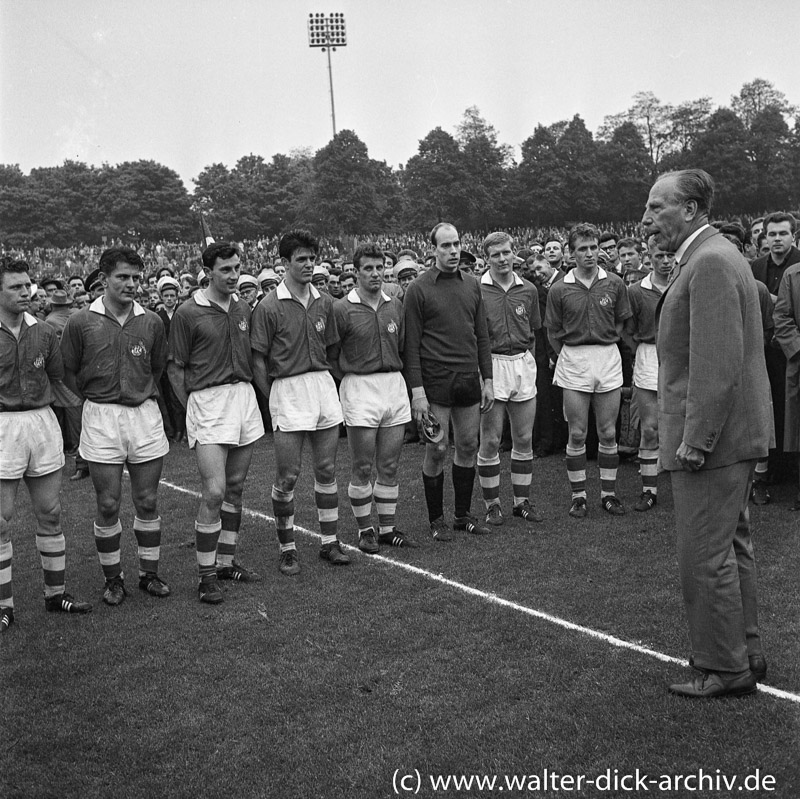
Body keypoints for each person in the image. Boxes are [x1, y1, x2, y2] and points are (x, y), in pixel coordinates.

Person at [644, 168, 771, 698]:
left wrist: (695, 439)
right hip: (731, 436)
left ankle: (724, 666)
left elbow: (716, 366)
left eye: (656, 207)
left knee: (705, 554)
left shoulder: (712, 261)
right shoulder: (713, 256)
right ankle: (744, 650)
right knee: (730, 545)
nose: (646, 219)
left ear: (690, 209)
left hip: (715, 440)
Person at [61, 247, 171, 607]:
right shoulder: (81, 321)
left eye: (137, 278)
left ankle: (149, 574)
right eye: (123, 277)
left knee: (148, 499)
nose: (131, 284)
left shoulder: (152, 321)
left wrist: (137, 394)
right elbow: (69, 372)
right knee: (108, 503)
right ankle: (113, 579)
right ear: (104, 278)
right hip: (102, 415)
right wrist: (99, 399)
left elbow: (156, 369)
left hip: (144, 414)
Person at [168, 242, 265, 604]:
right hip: (207, 400)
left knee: (236, 487)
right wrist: (193, 406)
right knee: (214, 490)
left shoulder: (243, 307)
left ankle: (226, 562)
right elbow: (175, 369)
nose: (233, 275)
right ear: (208, 271)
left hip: (243, 398)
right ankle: (205, 576)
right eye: (225, 269)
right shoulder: (188, 312)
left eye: (237, 268)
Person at [0, 259, 92, 632]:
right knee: (1, 522)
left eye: (28, 286)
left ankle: (56, 594)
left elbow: (57, 377)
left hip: (40, 422)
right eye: (16, 287)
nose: (26, 292)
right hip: (3, 426)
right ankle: (4, 605)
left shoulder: (43, 332)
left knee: (51, 513)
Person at [251, 230, 349, 575]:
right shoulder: (268, 305)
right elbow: (259, 360)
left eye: (312, 258)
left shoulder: (325, 301)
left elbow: (333, 348)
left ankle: (329, 542)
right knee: (288, 475)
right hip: (287, 390)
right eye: (301, 259)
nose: (309, 265)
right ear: (285, 263)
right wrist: (274, 397)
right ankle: (287, 548)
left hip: (321, 385)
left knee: (326, 470)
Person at [403, 222, 494, 542]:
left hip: (469, 378)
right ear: (433, 250)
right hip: (436, 381)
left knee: (469, 445)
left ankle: (463, 515)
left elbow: (481, 336)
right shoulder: (418, 288)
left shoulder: (472, 285)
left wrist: (489, 380)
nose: (453, 251)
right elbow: (410, 345)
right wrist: (417, 393)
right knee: (438, 447)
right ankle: (436, 519)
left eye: (456, 244)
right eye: (446, 246)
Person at [332, 243, 418, 552]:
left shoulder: (394, 304)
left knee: (390, 465)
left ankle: (387, 528)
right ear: (355, 273)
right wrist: (352, 378)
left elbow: (404, 347)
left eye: (379, 268)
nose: (374, 274)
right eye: (367, 268)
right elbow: (332, 355)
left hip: (392, 385)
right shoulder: (342, 308)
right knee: (363, 466)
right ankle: (365, 529)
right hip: (360, 387)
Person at [545, 223, 631, 518]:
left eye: (594, 247)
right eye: (583, 249)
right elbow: (553, 331)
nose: (590, 253)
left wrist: (604, 343)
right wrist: (570, 356)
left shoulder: (615, 283)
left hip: (607, 357)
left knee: (608, 432)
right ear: (572, 253)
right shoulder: (559, 289)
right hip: (575, 360)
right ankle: (579, 496)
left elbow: (621, 322)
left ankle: (608, 494)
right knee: (578, 432)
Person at [476, 232, 543, 526]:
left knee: (524, 437)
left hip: (522, 362)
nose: (502, 259)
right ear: (486, 258)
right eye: (495, 255)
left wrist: (527, 361)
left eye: (506, 253)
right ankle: (492, 504)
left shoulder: (528, 289)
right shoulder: (476, 290)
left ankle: (521, 501)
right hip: (492, 364)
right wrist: (482, 373)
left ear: (514, 253)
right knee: (490, 440)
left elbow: (535, 331)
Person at [621, 234, 672, 511]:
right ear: (648, 256)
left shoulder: (684, 283)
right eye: (659, 256)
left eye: (670, 255)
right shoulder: (636, 291)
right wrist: (644, 349)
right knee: (650, 428)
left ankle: (690, 491)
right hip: (648, 357)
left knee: (685, 425)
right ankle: (649, 490)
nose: (665, 261)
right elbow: (627, 331)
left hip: (681, 359)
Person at [750, 212, 800, 488]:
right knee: (766, 408)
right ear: (764, 237)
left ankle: (790, 469)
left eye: (783, 233)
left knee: (790, 409)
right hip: (763, 350)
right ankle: (767, 469)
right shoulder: (755, 267)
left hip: (791, 352)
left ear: (793, 235)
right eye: (772, 234)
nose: (777, 239)